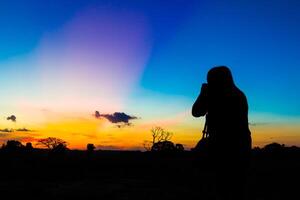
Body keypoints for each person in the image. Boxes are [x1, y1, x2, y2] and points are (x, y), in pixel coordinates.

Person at [192, 66, 252, 200]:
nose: (209, 83)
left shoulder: (223, 96)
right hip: (240, 144)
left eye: (211, 80)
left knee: (225, 186)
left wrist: (203, 94)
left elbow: (196, 112)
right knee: (235, 186)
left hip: (227, 146)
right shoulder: (238, 94)